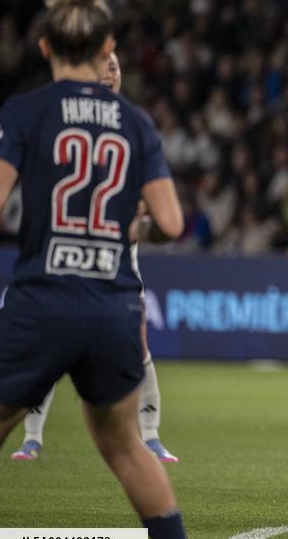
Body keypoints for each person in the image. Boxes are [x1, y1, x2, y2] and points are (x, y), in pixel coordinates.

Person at [0, 0, 192, 539]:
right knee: (126, 447)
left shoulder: (25, 111)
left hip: (41, 299)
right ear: (107, 49)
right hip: (112, 304)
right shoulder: (136, 121)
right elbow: (173, 223)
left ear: (45, 45)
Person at [10, 51, 179, 463]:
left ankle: (152, 435)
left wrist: (138, 220)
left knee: (137, 347)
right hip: (67, 256)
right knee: (48, 347)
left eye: (117, 67)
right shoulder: (68, 119)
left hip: (117, 263)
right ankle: (32, 437)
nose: (110, 73)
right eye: (104, 65)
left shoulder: (134, 124)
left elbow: (152, 208)